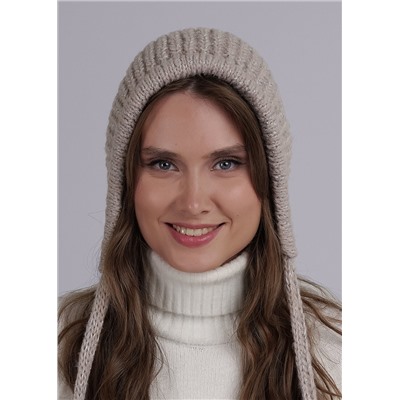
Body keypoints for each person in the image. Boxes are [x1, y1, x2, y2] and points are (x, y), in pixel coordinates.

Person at [58, 27, 341, 400]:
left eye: (226, 163)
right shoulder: (57, 342)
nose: (193, 203)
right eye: (163, 164)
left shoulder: (338, 351)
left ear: (270, 179)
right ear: (124, 181)